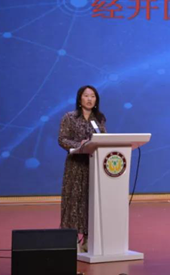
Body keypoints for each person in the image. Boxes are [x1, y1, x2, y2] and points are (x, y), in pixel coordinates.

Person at [58, 85, 107, 252]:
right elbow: (62, 139)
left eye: (93, 96)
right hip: (76, 165)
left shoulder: (99, 118)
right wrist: (79, 145)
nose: (89, 99)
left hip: (93, 166)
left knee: (90, 201)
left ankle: (88, 239)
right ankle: (70, 239)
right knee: (73, 201)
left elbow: (104, 139)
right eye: (86, 96)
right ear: (80, 99)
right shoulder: (70, 117)